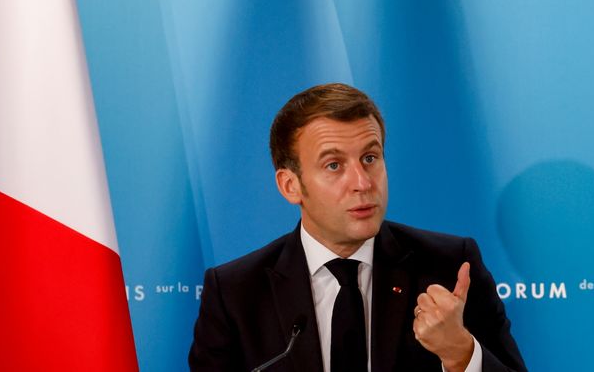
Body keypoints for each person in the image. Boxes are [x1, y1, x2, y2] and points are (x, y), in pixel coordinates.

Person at [189, 83, 526, 372]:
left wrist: (460, 352)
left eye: (370, 158)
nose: (363, 183)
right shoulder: (236, 293)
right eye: (334, 165)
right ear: (290, 185)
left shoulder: (450, 268)